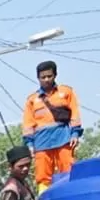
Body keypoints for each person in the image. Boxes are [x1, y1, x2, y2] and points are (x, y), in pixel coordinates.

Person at [22, 60, 82, 190]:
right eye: (43, 77)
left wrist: (75, 133)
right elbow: (28, 124)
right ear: (38, 78)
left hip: (64, 138)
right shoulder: (32, 100)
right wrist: (29, 145)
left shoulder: (66, 92)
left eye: (49, 76)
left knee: (68, 171)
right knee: (42, 176)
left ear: (55, 75)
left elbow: (75, 114)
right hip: (42, 142)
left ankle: (70, 194)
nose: (46, 79)